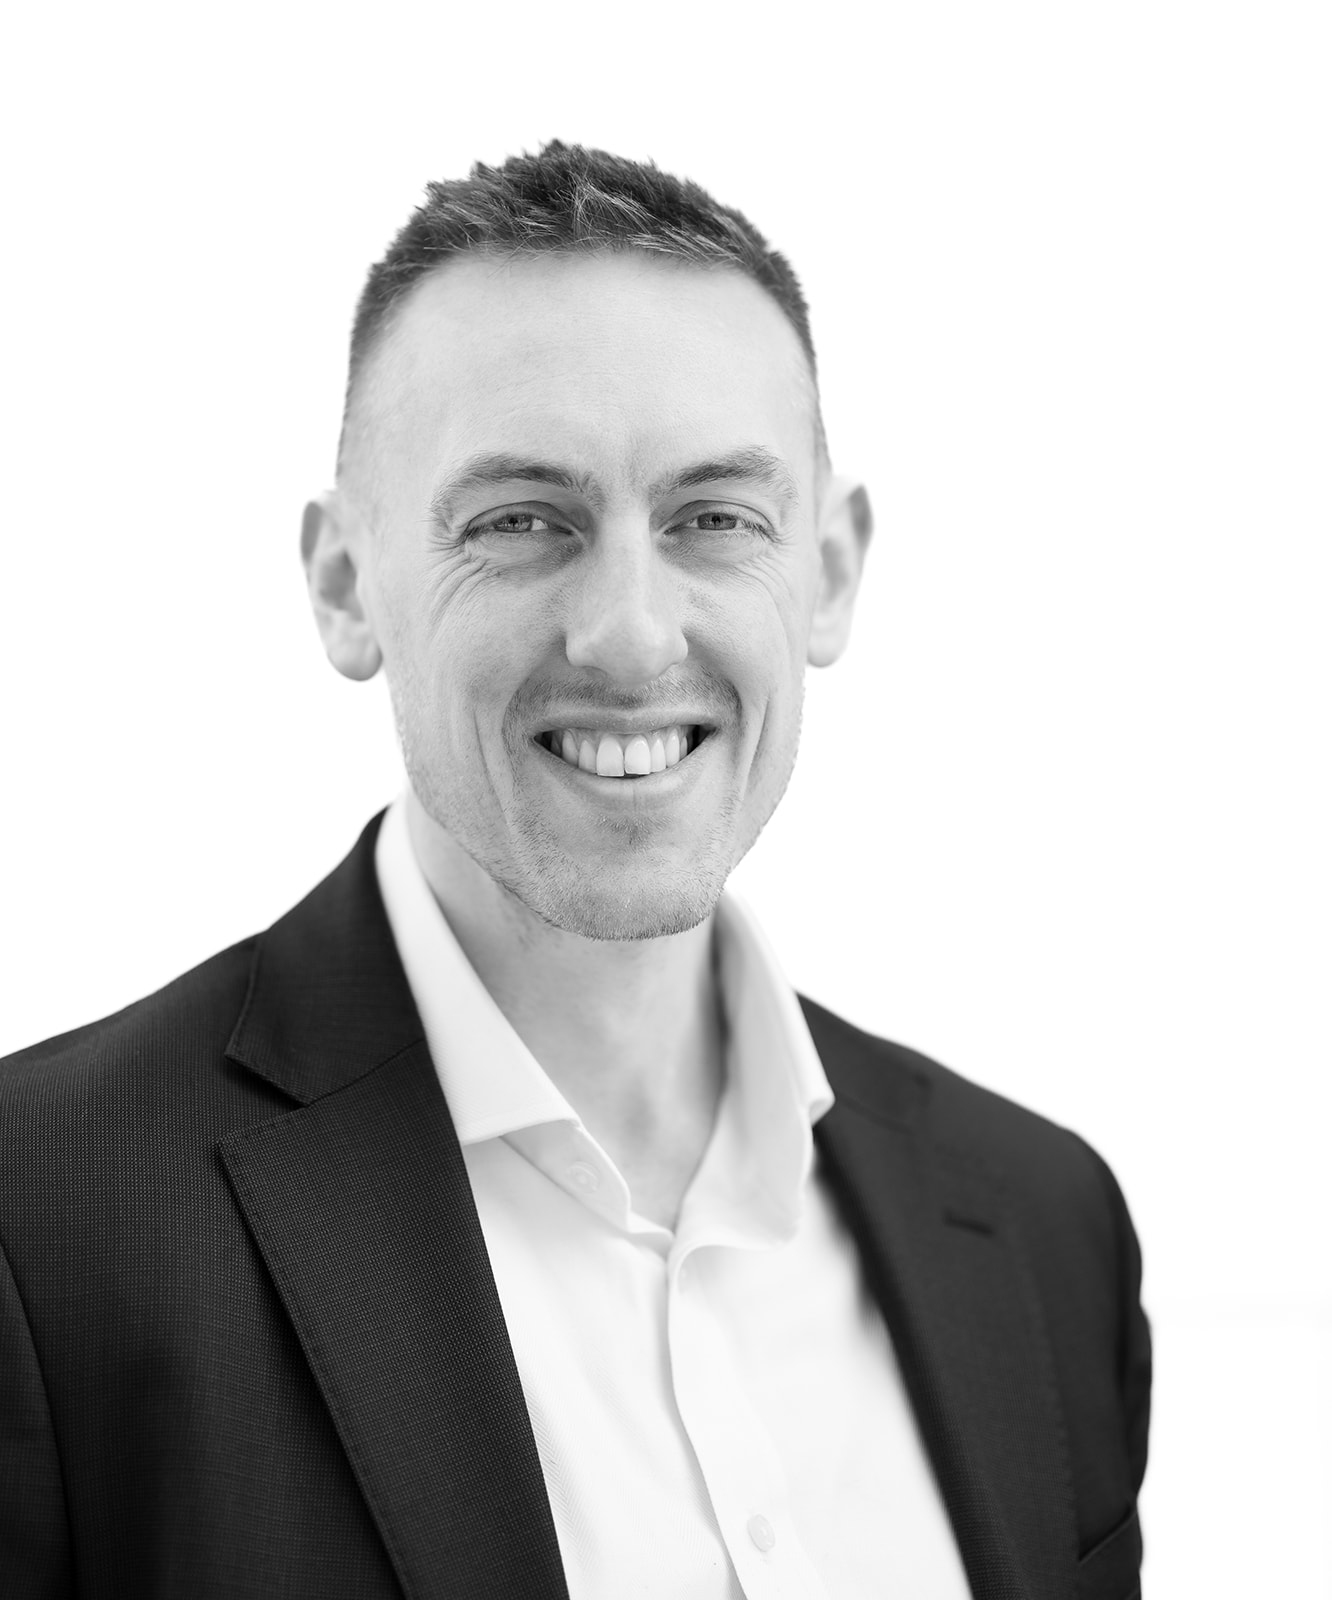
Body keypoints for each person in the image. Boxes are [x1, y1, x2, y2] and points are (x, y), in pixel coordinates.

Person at [0, 142, 1150, 1600]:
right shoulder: (40, 1235)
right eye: (521, 522)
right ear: (345, 586)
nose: (628, 633)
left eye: (714, 518)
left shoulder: (1046, 1231)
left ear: (833, 570)